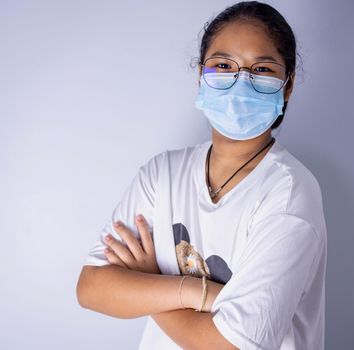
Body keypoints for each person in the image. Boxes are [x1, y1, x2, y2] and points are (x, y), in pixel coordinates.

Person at [76, 1, 327, 349]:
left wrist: (151, 283)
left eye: (262, 69)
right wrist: (198, 291)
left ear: (288, 85)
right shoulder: (162, 174)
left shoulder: (288, 195)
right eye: (223, 65)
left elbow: (231, 346)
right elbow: (92, 288)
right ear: (201, 75)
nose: (241, 83)